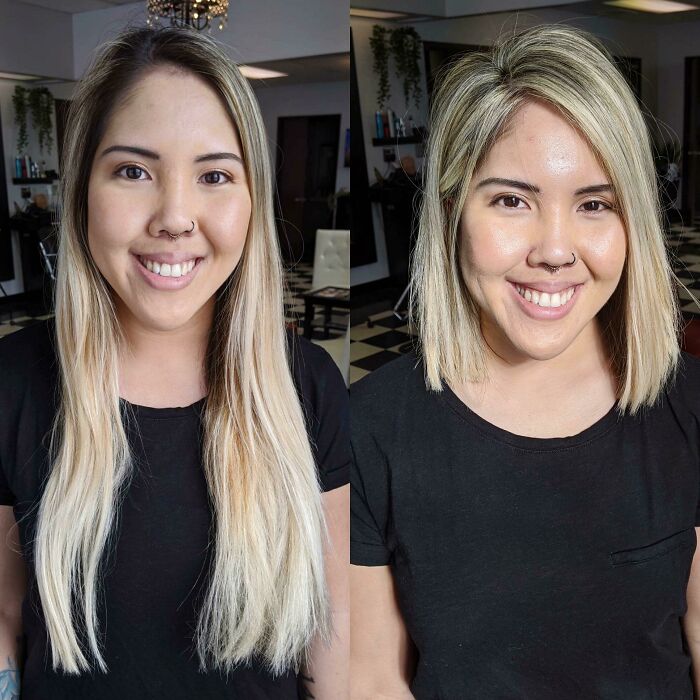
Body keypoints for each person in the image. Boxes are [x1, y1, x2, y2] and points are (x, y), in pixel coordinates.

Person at [350, 23, 700, 699]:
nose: (555, 249)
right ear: (453, 211)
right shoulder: (371, 427)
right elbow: (370, 678)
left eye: (595, 204)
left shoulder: (688, 407)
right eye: (512, 200)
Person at [0, 24, 349, 700]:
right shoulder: (13, 381)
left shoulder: (308, 385)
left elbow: (328, 635)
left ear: (253, 202)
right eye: (134, 171)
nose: (175, 216)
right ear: (82, 195)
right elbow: (5, 616)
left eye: (214, 175)